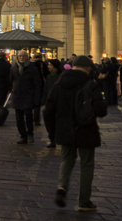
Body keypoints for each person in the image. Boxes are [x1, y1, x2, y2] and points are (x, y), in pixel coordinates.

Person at [44, 54, 107, 211]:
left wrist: (52, 132)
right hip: (86, 128)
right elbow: (101, 110)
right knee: (86, 164)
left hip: (64, 128)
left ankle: (62, 187)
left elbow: (48, 110)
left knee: (67, 160)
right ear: (87, 67)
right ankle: (84, 201)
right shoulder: (90, 84)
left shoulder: (59, 84)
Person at [10, 50, 43, 145]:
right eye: (20, 56)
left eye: (24, 56)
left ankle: (30, 133)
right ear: (17, 57)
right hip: (17, 95)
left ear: (27, 57)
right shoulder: (13, 67)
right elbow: (10, 80)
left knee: (28, 115)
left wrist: (37, 97)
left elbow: (37, 84)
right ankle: (23, 136)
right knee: (19, 118)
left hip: (28, 95)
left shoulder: (32, 68)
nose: (22, 57)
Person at [43, 59, 63, 147]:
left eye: (50, 65)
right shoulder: (49, 77)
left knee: (58, 122)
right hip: (49, 103)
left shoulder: (61, 76)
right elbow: (46, 89)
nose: (48, 66)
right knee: (49, 122)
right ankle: (52, 139)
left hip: (59, 103)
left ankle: (58, 139)